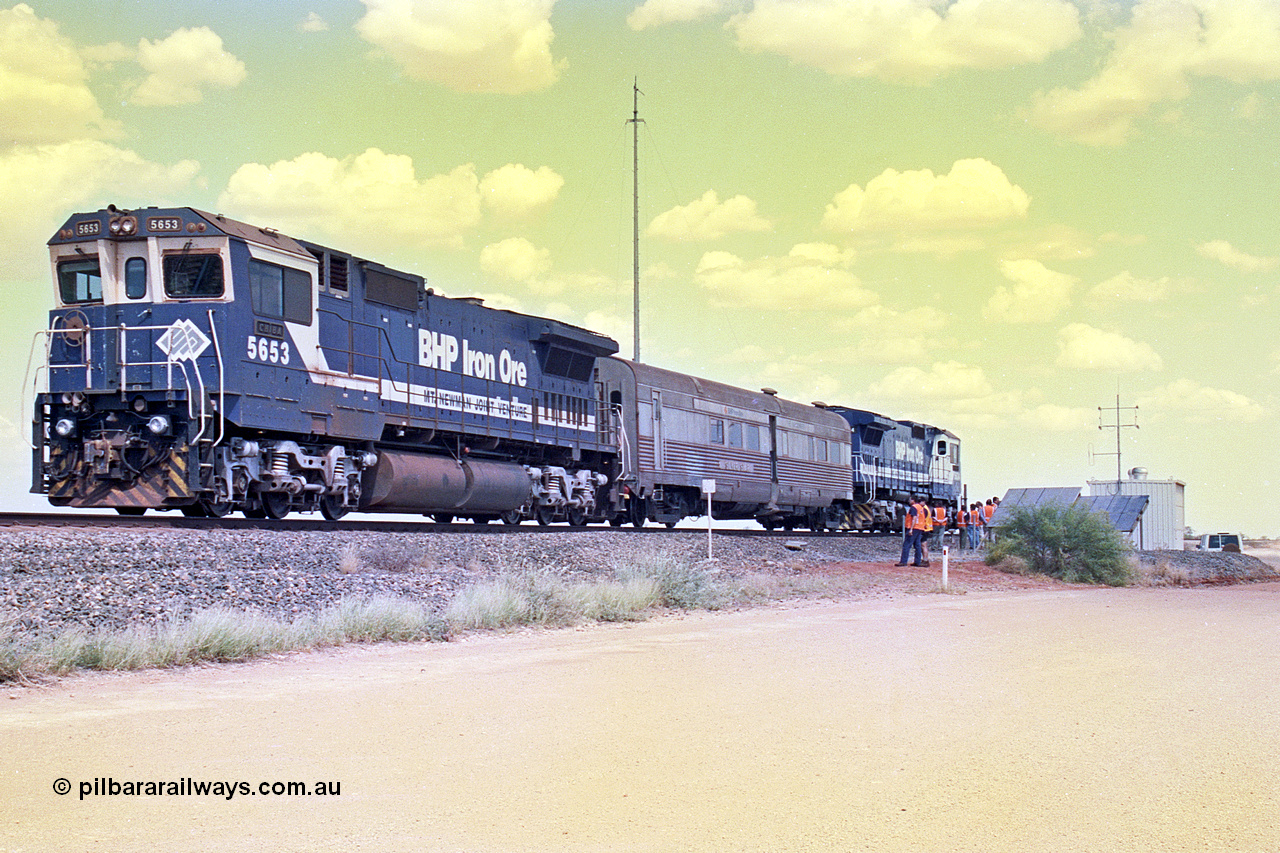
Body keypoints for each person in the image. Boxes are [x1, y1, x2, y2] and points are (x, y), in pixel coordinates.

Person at [896, 497, 925, 567]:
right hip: (919, 528)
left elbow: (914, 518)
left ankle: (903, 561)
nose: (909, 501)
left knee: (907, 545)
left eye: (910, 500)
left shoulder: (914, 507)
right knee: (917, 545)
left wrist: (911, 529)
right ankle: (917, 562)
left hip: (913, 528)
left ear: (913, 500)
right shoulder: (920, 507)